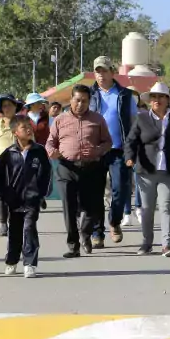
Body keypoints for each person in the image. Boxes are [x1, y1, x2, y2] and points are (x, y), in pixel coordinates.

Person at [125, 82, 170, 257]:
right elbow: (131, 140)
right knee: (147, 208)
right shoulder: (141, 118)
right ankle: (147, 243)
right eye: (154, 97)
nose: (157, 100)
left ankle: (166, 245)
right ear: (150, 100)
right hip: (146, 171)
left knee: (166, 206)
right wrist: (130, 157)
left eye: (161, 97)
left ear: (167, 100)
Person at [46, 84, 112, 258]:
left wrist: (98, 151)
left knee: (94, 206)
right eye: (77, 100)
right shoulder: (60, 120)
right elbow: (50, 142)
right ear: (70, 100)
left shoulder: (97, 120)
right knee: (69, 206)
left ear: (89, 101)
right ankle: (73, 245)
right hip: (66, 167)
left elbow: (107, 142)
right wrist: (53, 152)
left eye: (84, 101)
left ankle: (85, 233)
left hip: (91, 168)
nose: (80, 104)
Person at [0, 115, 52, 278]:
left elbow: (46, 173)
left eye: (29, 126)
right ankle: (11, 261)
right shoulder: (8, 153)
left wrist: (41, 193)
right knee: (15, 231)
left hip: (32, 199)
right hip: (14, 200)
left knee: (29, 228)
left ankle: (30, 263)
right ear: (15, 132)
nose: (28, 129)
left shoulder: (39, 151)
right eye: (23, 127)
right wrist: (2, 193)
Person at [88, 56, 137, 248]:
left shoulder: (125, 95)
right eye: (97, 71)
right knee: (95, 193)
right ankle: (97, 232)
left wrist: (132, 148)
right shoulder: (89, 94)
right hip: (96, 150)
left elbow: (134, 123)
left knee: (120, 190)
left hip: (119, 149)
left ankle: (114, 221)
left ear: (112, 72)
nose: (101, 74)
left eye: (104, 70)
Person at [0, 94, 23, 237]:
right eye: (4, 106)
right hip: (1, 166)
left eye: (10, 105)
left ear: (16, 107)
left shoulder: (23, 123)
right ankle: (3, 223)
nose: (7, 108)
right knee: (2, 197)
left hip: (19, 165)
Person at [123, 86, 144, 227]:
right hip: (124, 150)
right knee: (125, 182)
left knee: (138, 181)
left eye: (134, 94)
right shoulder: (123, 111)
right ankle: (126, 213)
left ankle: (138, 208)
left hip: (140, 150)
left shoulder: (144, 112)